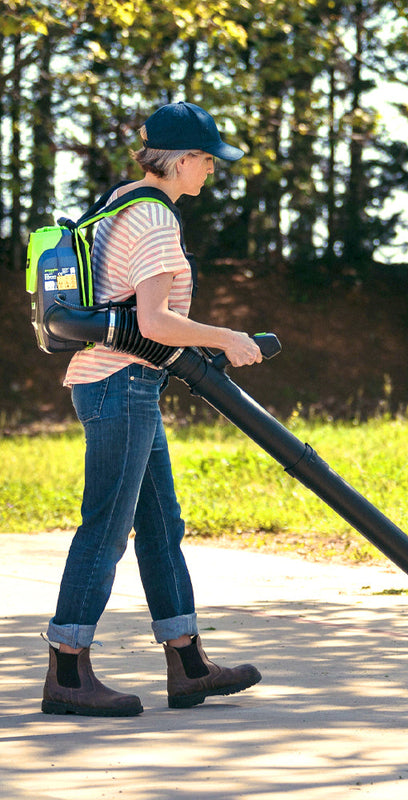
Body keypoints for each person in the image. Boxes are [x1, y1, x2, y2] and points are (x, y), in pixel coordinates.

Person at [42, 101, 264, 716]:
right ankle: (66, 669)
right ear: (182, 159)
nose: (212, 172)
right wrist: (228, 338)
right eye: (208, 161)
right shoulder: (156, 220)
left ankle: (187, 663)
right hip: (121, 384)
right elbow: (155, 321)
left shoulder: (120, 202)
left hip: (121, 382)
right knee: (106, 529)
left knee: (162, 525)